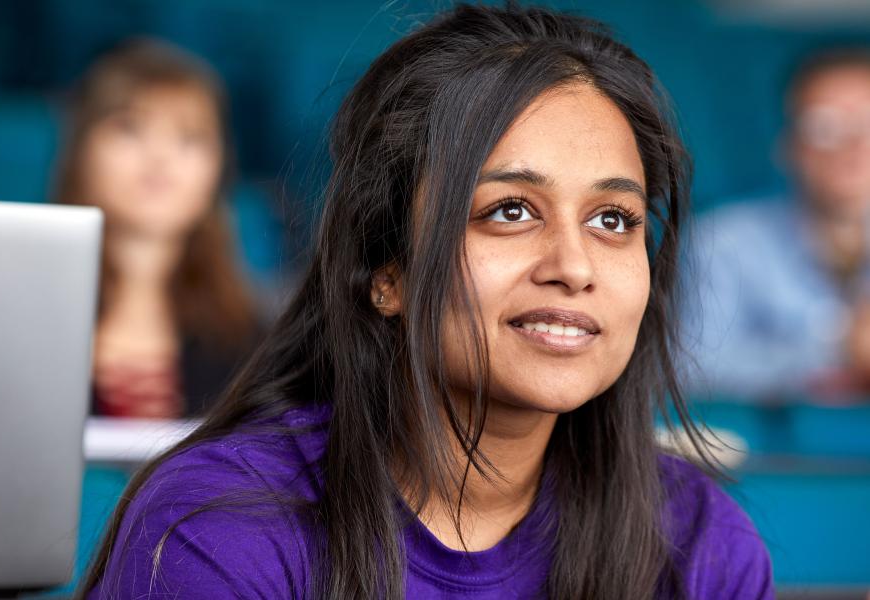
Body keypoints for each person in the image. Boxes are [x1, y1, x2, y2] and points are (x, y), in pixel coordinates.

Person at [81, 5, 772, 599]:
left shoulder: (700, 543)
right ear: (386, 273)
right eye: (509, 211)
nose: (575, 266)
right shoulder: (219, 526)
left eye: (613, 219)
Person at [54, 39, 260, 418]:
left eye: (190, 137)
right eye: (130, 128)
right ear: (81, 151)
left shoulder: (260, 338)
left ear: (218, 169)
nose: (160, 156)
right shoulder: (16, 319)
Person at [683, 48, 870, 402]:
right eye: (824, 126)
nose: (853, 146)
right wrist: (837, 347)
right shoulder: (722, 240)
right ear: (790, 147)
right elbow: (688, 366)